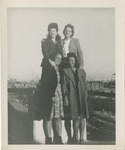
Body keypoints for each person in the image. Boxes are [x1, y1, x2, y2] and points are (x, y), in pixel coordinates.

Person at [60, 24, 86, 144]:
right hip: (64, 69)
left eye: (69, 31)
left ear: (72, 32)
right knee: (67, 113)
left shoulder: (75, 41)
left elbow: (80, 54)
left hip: (74, 67)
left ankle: (78, 138)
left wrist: (80, 67)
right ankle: (70, 137)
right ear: (64, 31)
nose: (67, 32)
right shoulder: (60, 41)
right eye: (66, 30)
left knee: (79, 113)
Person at [39, 23, 63, 144]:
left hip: (57, 83)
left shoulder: (58, 42)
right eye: (51, 30)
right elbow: (45, 53)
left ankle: (58, 138)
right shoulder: (46, 42)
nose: (52, 32)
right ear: (48, 31)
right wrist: (50, 62)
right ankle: (48, 139)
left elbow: (61, 56)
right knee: (47, 115)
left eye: (54, 30)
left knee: (57, 116)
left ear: (57, 32)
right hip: (48, 74)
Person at [62, 53, 89, 144]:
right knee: (75, 118)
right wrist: (65, 97)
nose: (71, 62)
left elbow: (85, 85)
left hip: (81, 96)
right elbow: (64, 86)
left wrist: (85, 94)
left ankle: (81, 138)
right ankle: (76, 138)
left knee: (82, 117)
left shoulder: (82, 71)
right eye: (69, 61)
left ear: (76, 61)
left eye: (72, 60)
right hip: (72, 96)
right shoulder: (65, 71)